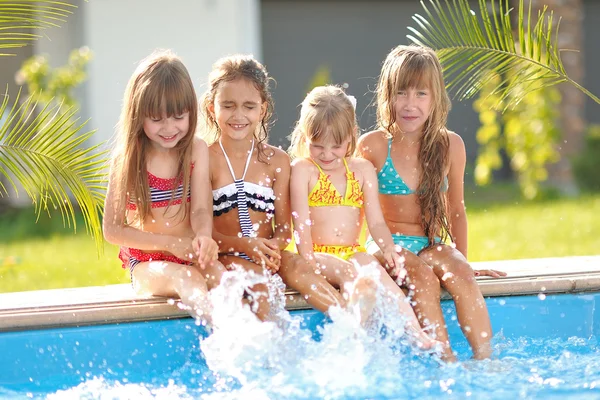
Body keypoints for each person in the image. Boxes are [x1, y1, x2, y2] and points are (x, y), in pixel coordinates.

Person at [357, 45, 506, 361]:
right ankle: (446, 361)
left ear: (436, 98)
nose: (410, 104)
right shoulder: (373, 146)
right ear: (388, 96)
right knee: (422, 278)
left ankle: (486, 360)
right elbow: (353, 206)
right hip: (389, 245)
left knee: (462, 277)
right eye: (402, 93)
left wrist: (463, 262)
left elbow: (456, 210)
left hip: (431, 243)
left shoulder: (450, 145)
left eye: (421, 94)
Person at [201, 55, 375, 322]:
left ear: (262, 109)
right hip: (225, 254)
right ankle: (268, 356)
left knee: (309, 269)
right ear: (212, 108)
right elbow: (202, 228)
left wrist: (272, 246)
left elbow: (284, 229)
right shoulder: (205, 158)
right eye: (228, 106)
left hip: (269, 254)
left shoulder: (277, 161)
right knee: (261, 287)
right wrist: (245, 245)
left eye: (249, 106)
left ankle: (349, 328)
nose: (238, 115)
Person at [288, 85, 438, 348]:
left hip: (352, 250)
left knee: (376, 273)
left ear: (351, 138)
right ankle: (352, 335)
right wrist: (308, 258)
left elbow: (376, 222)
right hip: (317, 253)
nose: (326, 154)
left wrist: (388, 248)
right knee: (352, 275)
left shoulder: (361, 169)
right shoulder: (304, 170)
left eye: (336, 147)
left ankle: (414, 331)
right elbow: (300, 224)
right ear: (305, 137)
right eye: (317, 146)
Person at [103, 50, 225, 322]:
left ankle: (248, 345)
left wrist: (204, 236)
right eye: (157, 119)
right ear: (138, 114)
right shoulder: (128, 158)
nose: (169, 128)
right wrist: (169, 244)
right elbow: (112, 230)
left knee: (226, 282)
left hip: (190, 255)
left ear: (191, 112)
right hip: (147, 264)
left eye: (178, 117)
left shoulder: (195, 150)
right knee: (188, 278)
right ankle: (222, 345)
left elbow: (202, 210)